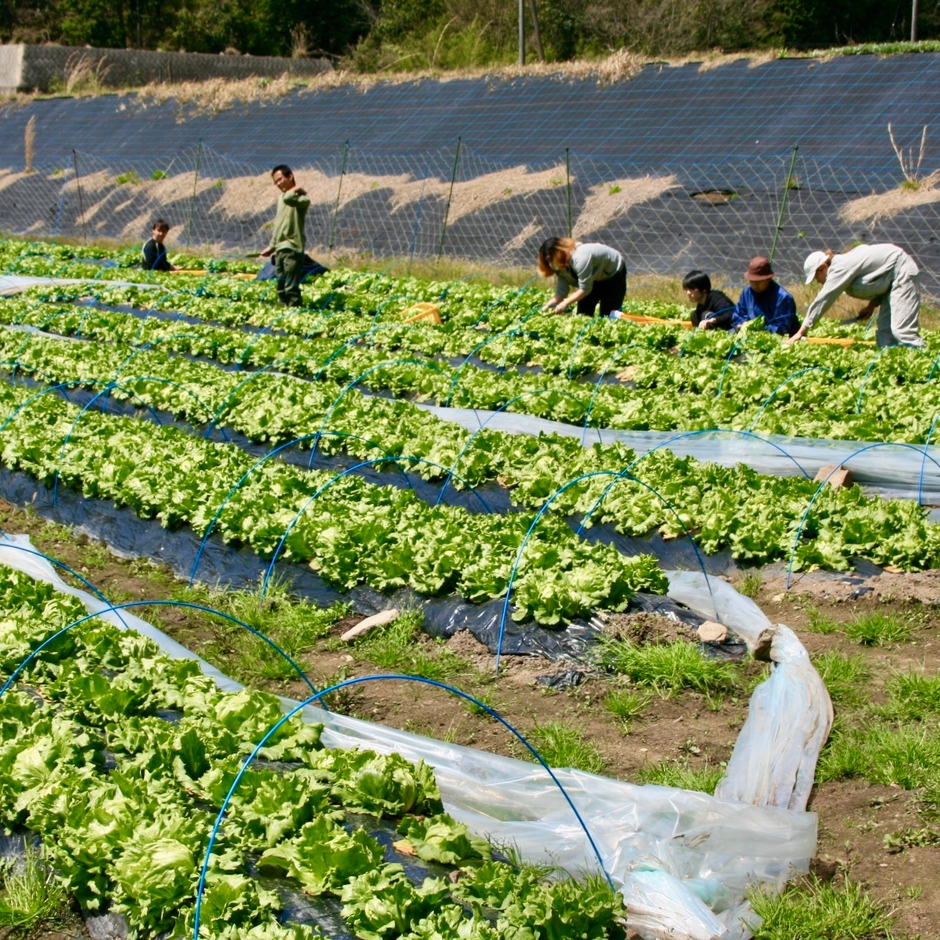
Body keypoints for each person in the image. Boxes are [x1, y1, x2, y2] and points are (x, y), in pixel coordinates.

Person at [787, 244, 925, 348]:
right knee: (885, 334)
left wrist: (800, 332)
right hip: (893, 279)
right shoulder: (843, 266)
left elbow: (824, 299)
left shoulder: (839, 267)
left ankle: (926, 363)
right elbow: (880, 280)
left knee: (902, 331)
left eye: (816, 277)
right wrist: (871, 306)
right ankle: (894, 367)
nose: (817, 281)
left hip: (902, 272)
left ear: (823, 267)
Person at [259, 164, 311, 307]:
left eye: (280, 179)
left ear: (290, 176)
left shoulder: (303, 199)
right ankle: (283, 311)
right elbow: (278, 225)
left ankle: (295, 311)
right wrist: (271, 247)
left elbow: (289, 199)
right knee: (281, 285)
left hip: (292, 247)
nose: (278, 184)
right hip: (280, 248)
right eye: (275, 182)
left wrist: (294, 189)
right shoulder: (281, 198)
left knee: (291, 286)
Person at [537, 238, 626, 317]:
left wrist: (565, 303)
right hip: (593, 277)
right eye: (547, 261)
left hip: (613, 274)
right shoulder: (560, 267)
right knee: (583, 313)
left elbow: (585, 289)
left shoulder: (580, 257)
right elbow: (561, 291)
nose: (551, 264)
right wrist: (547, 306)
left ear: (559, 253)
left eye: (551, 259)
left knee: (608, 314)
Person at [731, 256, 800, 337]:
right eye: (752, 281)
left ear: (768, 279)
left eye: (759, 281)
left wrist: (756, 330)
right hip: (747, 335)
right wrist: (742, 325)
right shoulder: (746, 293)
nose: (755, 285)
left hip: (776, 338)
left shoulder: (783, 298)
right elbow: (738, 315)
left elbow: (781, 328)